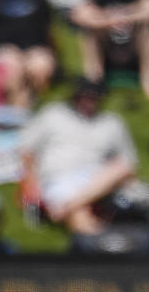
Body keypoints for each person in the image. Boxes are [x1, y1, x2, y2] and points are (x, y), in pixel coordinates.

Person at [18, 78, 139, 238]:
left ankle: (67, 208)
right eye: (84, 95)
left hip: (96, 179)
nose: (89, 100)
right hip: (57, 178)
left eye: (94, 97)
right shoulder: (53, 113)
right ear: (74, 95)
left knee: (122, 168)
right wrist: (32, 184)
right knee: (80, 215)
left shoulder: (112, 122)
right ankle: (100, 250)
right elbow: (26, 150)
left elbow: (129, 163)